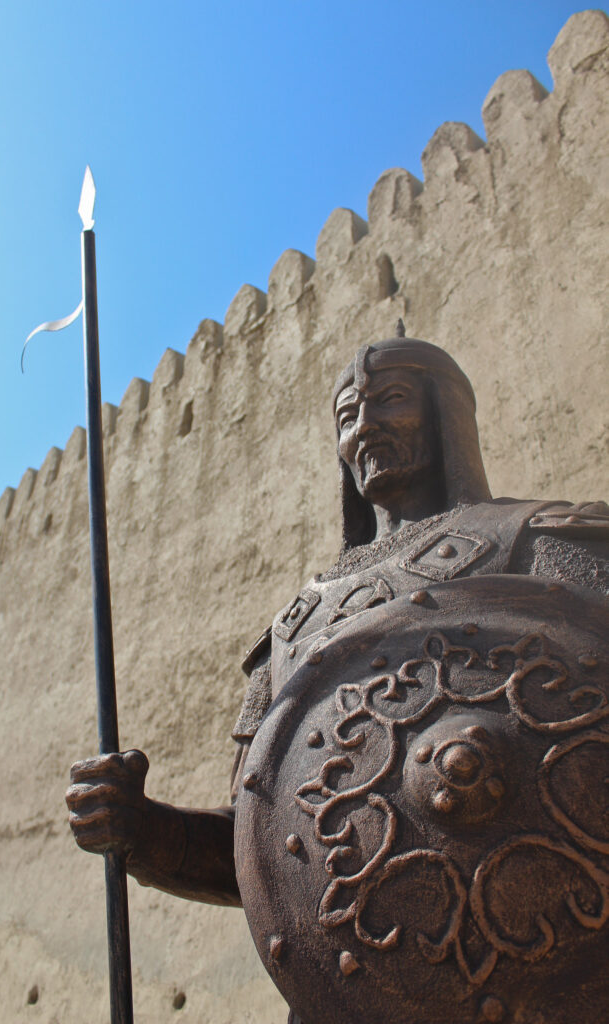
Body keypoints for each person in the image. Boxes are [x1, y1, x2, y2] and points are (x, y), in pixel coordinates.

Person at [66, 325, 608, 1020]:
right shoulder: (296, 628)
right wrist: (144, 831)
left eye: (390, 400)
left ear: (445, 413)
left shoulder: (541, 540)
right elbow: (261, 843)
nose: (365, 428)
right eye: (347, 415)